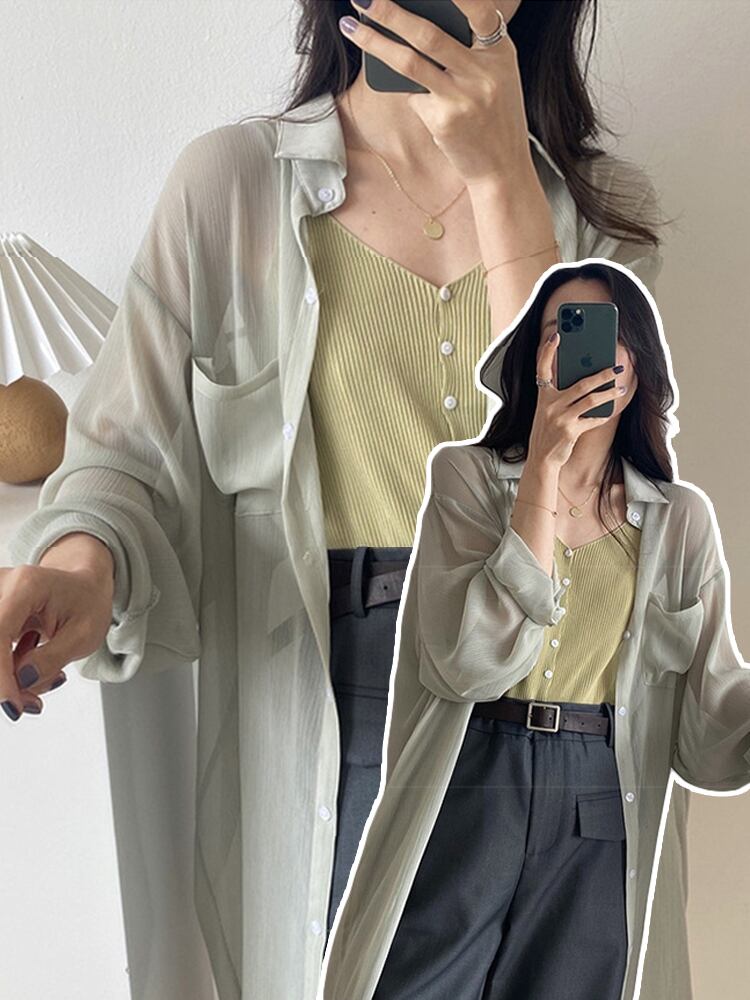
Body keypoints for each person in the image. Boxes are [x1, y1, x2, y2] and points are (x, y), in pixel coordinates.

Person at [0, 2, 692, 998]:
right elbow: (126, 458)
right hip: (359, 711)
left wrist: (504, 180)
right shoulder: (233, 189)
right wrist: (77, 568)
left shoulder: (597, 217)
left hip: (579, 716)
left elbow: (580, 477)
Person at [319, 261, 750, 1000]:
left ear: (637, 368)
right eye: (561, 331)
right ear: (535, 361)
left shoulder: (680, 522)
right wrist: (544, 469)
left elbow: (708, 739)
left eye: (604, 335)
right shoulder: (467, 479)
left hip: (598, 795)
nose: (583, 353)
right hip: (475, 775)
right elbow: (466, 665)